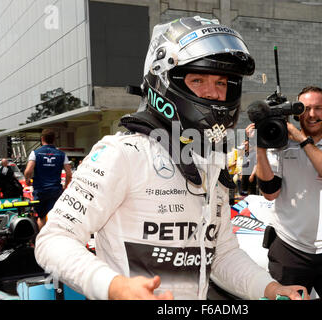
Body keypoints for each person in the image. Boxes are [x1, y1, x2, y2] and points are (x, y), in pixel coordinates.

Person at [34, 17, 308, 301]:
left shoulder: (211, 162)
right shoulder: (122, 153)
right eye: (198, 80)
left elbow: (222, 255)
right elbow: (54, 239)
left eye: (222, 82)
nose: (213, 93)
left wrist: (270, 288)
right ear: (165, 82)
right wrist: (114, 287)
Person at [254, 85, 322, 300]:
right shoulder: (281, 146)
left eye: (318, 108)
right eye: (306, 108)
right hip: (288, 249)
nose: (312, 115)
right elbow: (270, 193)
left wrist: (303, 141)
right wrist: (260, 148)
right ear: (297, 113)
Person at [24, 129, 72, 230]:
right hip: (55, 191)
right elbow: (69, 173)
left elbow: (28, 171)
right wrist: (65, 186)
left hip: (40, 191)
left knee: (41, 218)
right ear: (54, 140)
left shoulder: (35, 153)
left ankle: (41, 242)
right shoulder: (61, 154)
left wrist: (27, 180)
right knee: (54, 217)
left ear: (42, 139)